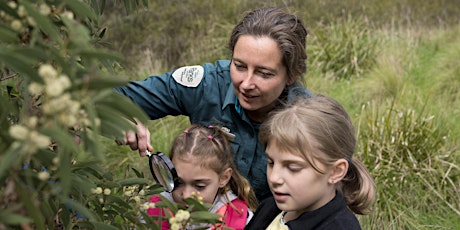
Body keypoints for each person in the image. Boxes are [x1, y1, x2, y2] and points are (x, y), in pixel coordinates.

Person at [115, 7, 312, 201]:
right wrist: (119, 116)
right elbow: (105, 98)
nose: (246, 84)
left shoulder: (311, 119)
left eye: (264, 73)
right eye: (239, 66)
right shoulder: (206, 84)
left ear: (291, 75)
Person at [245, 95, 375, 229]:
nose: (274, 178)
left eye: (293, 168)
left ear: (336, 171)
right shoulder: (269, 208)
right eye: (271, 163)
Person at [147, 124, 258, 229]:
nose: (186, 195)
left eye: (199, 186)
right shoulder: (154, 208)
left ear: (224, 178)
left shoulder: (238, 218)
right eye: (178, 182)